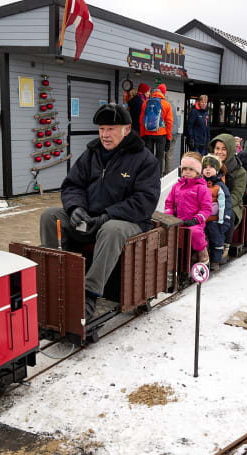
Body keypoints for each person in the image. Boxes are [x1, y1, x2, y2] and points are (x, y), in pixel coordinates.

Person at [39, 103, 160, 319]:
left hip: (128, 221)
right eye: (102, 128)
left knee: (111, 229)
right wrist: (75, 208)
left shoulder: (145, 160)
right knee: (50, 216)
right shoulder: (91, 154)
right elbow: (72, 185)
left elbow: (145, 201)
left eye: (111, 129)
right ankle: (56, 280)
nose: (105, 134)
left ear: (127, 128)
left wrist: (108, 215)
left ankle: (89, 294)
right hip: (90, 217)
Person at [164, 152, 212, 264]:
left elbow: (206, 208)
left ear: (197, 171)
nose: (187, 172)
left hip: (194, 222)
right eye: (185, 169)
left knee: (195, 233)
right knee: (166, 233)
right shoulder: (177, 186)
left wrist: (196, 219)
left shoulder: (201, 188)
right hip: (177, 221)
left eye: (191, 169)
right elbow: (169, 203)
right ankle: (171, 258)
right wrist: (169, 216)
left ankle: (202, 253)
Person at [208, 133, 247, 260]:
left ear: (230, 150)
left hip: (231, 204)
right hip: (209, 201)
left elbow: (237, 194)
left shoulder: (240, 172)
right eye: (217, 148)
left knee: (228, 216)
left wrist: (221, 204)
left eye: (223, 149)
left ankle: (225, 245)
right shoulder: (208, 166)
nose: (219, 152)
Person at [201, 153, 232, 270]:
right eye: (205, 167)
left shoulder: (220, 186)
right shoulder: (200, 184)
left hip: (215, 220)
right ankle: (204, 259)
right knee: (202, 239)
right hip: (202, 218)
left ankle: (216, 260)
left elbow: (226, 203)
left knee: (217, 238)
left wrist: (224, 219)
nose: (208, 169)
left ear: (217, 169)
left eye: (211, 167)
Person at [140, 83, 173, 175]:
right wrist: (168, 138)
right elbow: (169, 123)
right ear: (163, 93)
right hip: (161, 134)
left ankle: (148, 176)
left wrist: (142, 135)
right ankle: (157, 178)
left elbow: (141, 120)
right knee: (159, 157)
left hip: (148, 133)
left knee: (148, 156)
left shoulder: (146, 103)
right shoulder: (167, 104)